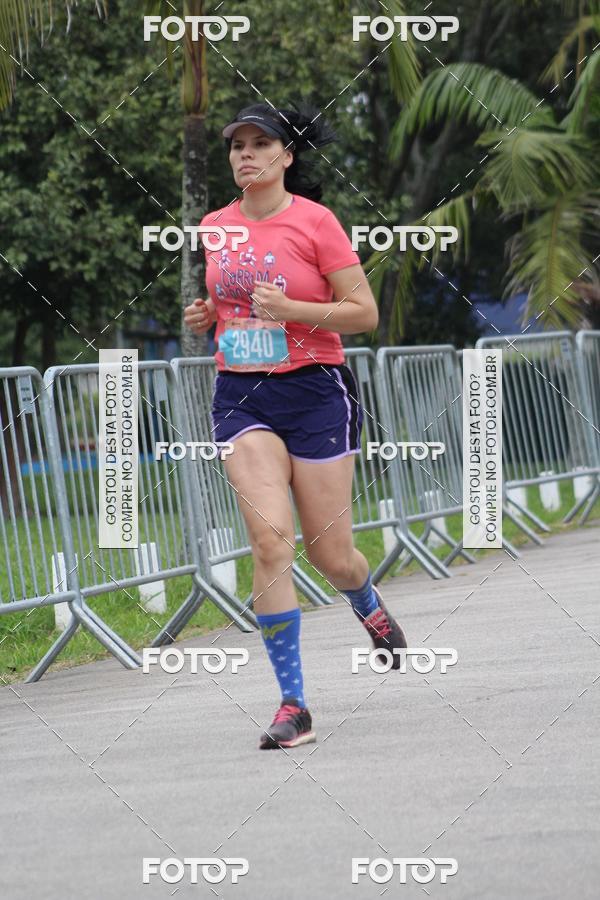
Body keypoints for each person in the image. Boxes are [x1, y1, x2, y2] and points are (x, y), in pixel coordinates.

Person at [184, 101, 407, 750]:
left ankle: (365, 602)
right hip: (242, 397)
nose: (244, 154)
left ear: (286, 156)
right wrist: (209, 316)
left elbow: (362, 313)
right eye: (235, 146)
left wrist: (293, 309)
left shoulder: (317, 223)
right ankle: (293, 706)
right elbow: (234, 307)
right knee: (269, 543)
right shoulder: (214, 226)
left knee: (329, 554)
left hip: (315, 394)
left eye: (259, 144)